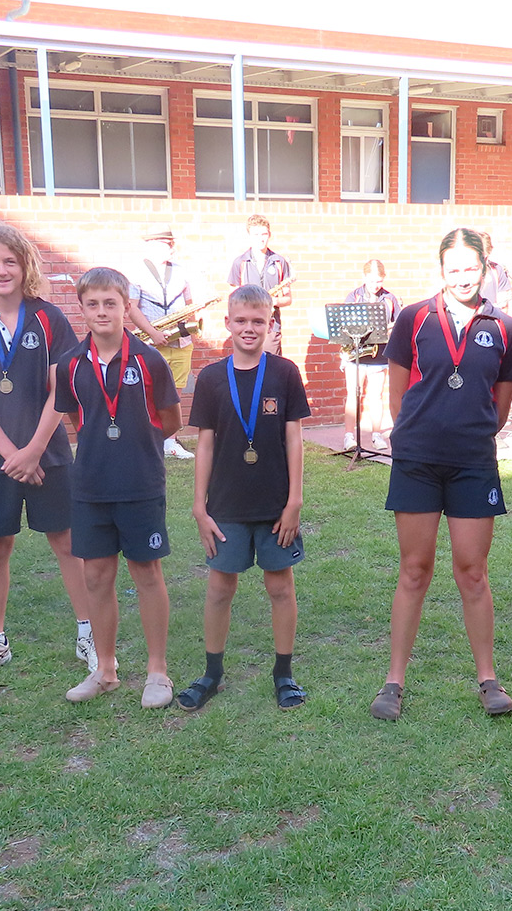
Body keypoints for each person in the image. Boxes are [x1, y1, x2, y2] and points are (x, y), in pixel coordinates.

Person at [370, 228, 512, 720]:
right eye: (453, 269)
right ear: (441, 270)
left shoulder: (504, 327)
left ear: (485, 268)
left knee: (472, 572)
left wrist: (466, 433)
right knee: (414, 569)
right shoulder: (413, 318)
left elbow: (500, 407)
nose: (462, 277)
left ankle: (488, 679)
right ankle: (394, 682)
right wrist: (418, 435)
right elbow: (398, 396)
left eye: (470, 268)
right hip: (417, 462)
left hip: (473, 463)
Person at [0, 221, 94, 679]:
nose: (1, 270)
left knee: (66, 541)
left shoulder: (48, 318)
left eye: (10, 261)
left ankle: (89, 631)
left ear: (25, 265)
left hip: (48, 452)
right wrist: (13, 454)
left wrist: (34, 449)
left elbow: (60, 389)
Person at [181, 285, 312, 711]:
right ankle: (212, 673)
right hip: (226, 504)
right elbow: (205, 444)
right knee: (220, 587)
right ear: (228, 323)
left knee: (280, 586)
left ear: (270, 324)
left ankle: (284, 673)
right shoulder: (211, 378)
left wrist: (294, 502)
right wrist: (199, 505)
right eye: (241, 320)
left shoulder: (285, 373)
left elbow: (294, 439)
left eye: (258, 321)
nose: (249, 328)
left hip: (276, 506)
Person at [53, 268, 181, 705]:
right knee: (96, 575)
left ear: (126, 306)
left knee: (146, 573)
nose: (102, 311)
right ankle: (104, 670)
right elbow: (77, 419)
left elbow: (171, 420)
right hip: (90, 486)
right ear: (82, 309)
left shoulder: (149, 360)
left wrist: (135, 447)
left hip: (140, 484)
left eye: (111, 303)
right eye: (93, 304)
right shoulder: (71, 364)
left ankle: (157, 672)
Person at [125, 223, 200, 461]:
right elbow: (131, 308)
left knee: (175, 391)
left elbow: (189, 304)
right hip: (150, 341)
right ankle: (147, 438)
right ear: (150, 246)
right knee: (146, 390)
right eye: (163, 244)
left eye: (169, 244)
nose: (169, 248)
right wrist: (153, 333)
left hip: (180, 341)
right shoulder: (136, 272)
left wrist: (192, 327)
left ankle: (170, 441)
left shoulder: (181, 271)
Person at [339, 259, 402, 450]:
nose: (376, 285)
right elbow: (345, 325)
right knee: (353, 394)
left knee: (376, 396)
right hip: (356, 354)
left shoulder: (389, 299)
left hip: (379, 354)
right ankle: (349, 436)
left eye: (379, 281)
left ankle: (377, 435)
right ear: (364, 277)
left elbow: (398, 326)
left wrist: (389, 329)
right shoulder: (354, 297)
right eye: (372, 281)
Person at [227, 214, 294, 355]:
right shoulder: (240, 263)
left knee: (271, 366)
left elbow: (288, 299)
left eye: (264, 234)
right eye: (256, 234)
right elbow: (232, 300)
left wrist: (274, 301)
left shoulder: (279, 262)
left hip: (271, 328)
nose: (261, 238)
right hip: (246, 328)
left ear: (269, 235)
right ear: (249, 236)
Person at [477, 230, 512, 308]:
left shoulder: (497, 270)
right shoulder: (463, 272)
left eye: (484, 257)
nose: (483, 261)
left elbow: (503, 306)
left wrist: (500, 305)